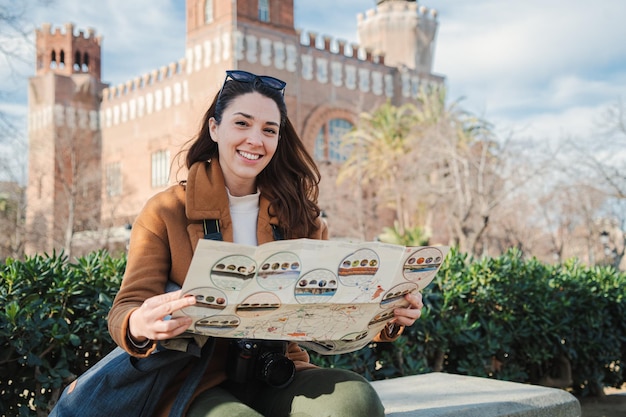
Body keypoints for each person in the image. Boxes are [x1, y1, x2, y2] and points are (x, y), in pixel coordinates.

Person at [107, 70, 425, 417]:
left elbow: (330, 311)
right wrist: (138, 324)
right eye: (242, 124)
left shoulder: (301, 215)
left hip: (278, 370)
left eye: (269, 130)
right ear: (215, 128)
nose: (255, 140)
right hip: (191, 379)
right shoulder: (166, 210)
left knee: (354, 400)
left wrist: (387, 314)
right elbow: (126, 308)